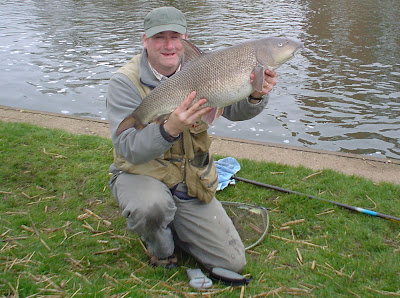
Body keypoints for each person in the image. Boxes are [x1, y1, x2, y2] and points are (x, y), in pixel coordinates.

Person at [106, 6, 278, 273]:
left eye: (175, 37)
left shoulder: (203, 67)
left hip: (189, 179)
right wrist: (168, 129)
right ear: (145, 40)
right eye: (159, 37)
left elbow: (233, 109)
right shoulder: (124, 82)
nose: (168, 45)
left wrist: (255, 96)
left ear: (185, 39)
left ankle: (179, 221)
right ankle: (161, 248)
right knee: (151, 207)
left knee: (233, 262)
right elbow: (129, 150)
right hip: (143, 173)